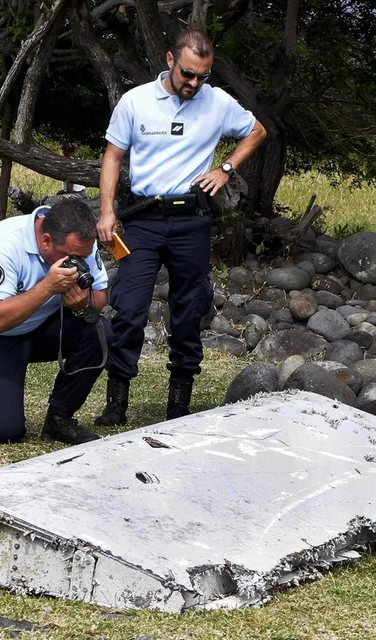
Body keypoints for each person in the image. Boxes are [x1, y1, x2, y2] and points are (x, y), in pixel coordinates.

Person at [94, 29, 267, 425]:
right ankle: (116, 403)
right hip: (143, 219)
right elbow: (112, 156)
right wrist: (107, 212)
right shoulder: (135, 101)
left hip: (191, 220)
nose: (194, 84)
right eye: (188, 74)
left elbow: (257, 131)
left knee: (189, 309)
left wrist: (226, 168)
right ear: (171, 60)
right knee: (130, 308)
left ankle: (179, 405)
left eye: (203, 76)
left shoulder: (217, 102)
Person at [0, 199, 110, 445]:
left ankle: (59, 419)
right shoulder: (3, 243)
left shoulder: (81, 244)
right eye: (70, 257)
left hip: (43, 326)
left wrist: (82, 303)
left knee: (100, 332)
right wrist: (48, 287)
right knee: (4, 430)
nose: (78, 263)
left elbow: (100, 296)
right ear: (46, 240)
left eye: (82, 257)